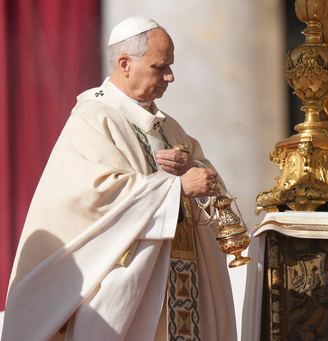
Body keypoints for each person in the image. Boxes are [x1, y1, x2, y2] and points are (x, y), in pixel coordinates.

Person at [1, 17, 237, 341]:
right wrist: (177, 187)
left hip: (181, 285)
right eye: (160, 67)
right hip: (126, 293)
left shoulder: (169, 128)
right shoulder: (92, 119)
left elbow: (208, 182)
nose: (170, 76)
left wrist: (192, 168)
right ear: (125, 64)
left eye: (170, 66)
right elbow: (97, 196)